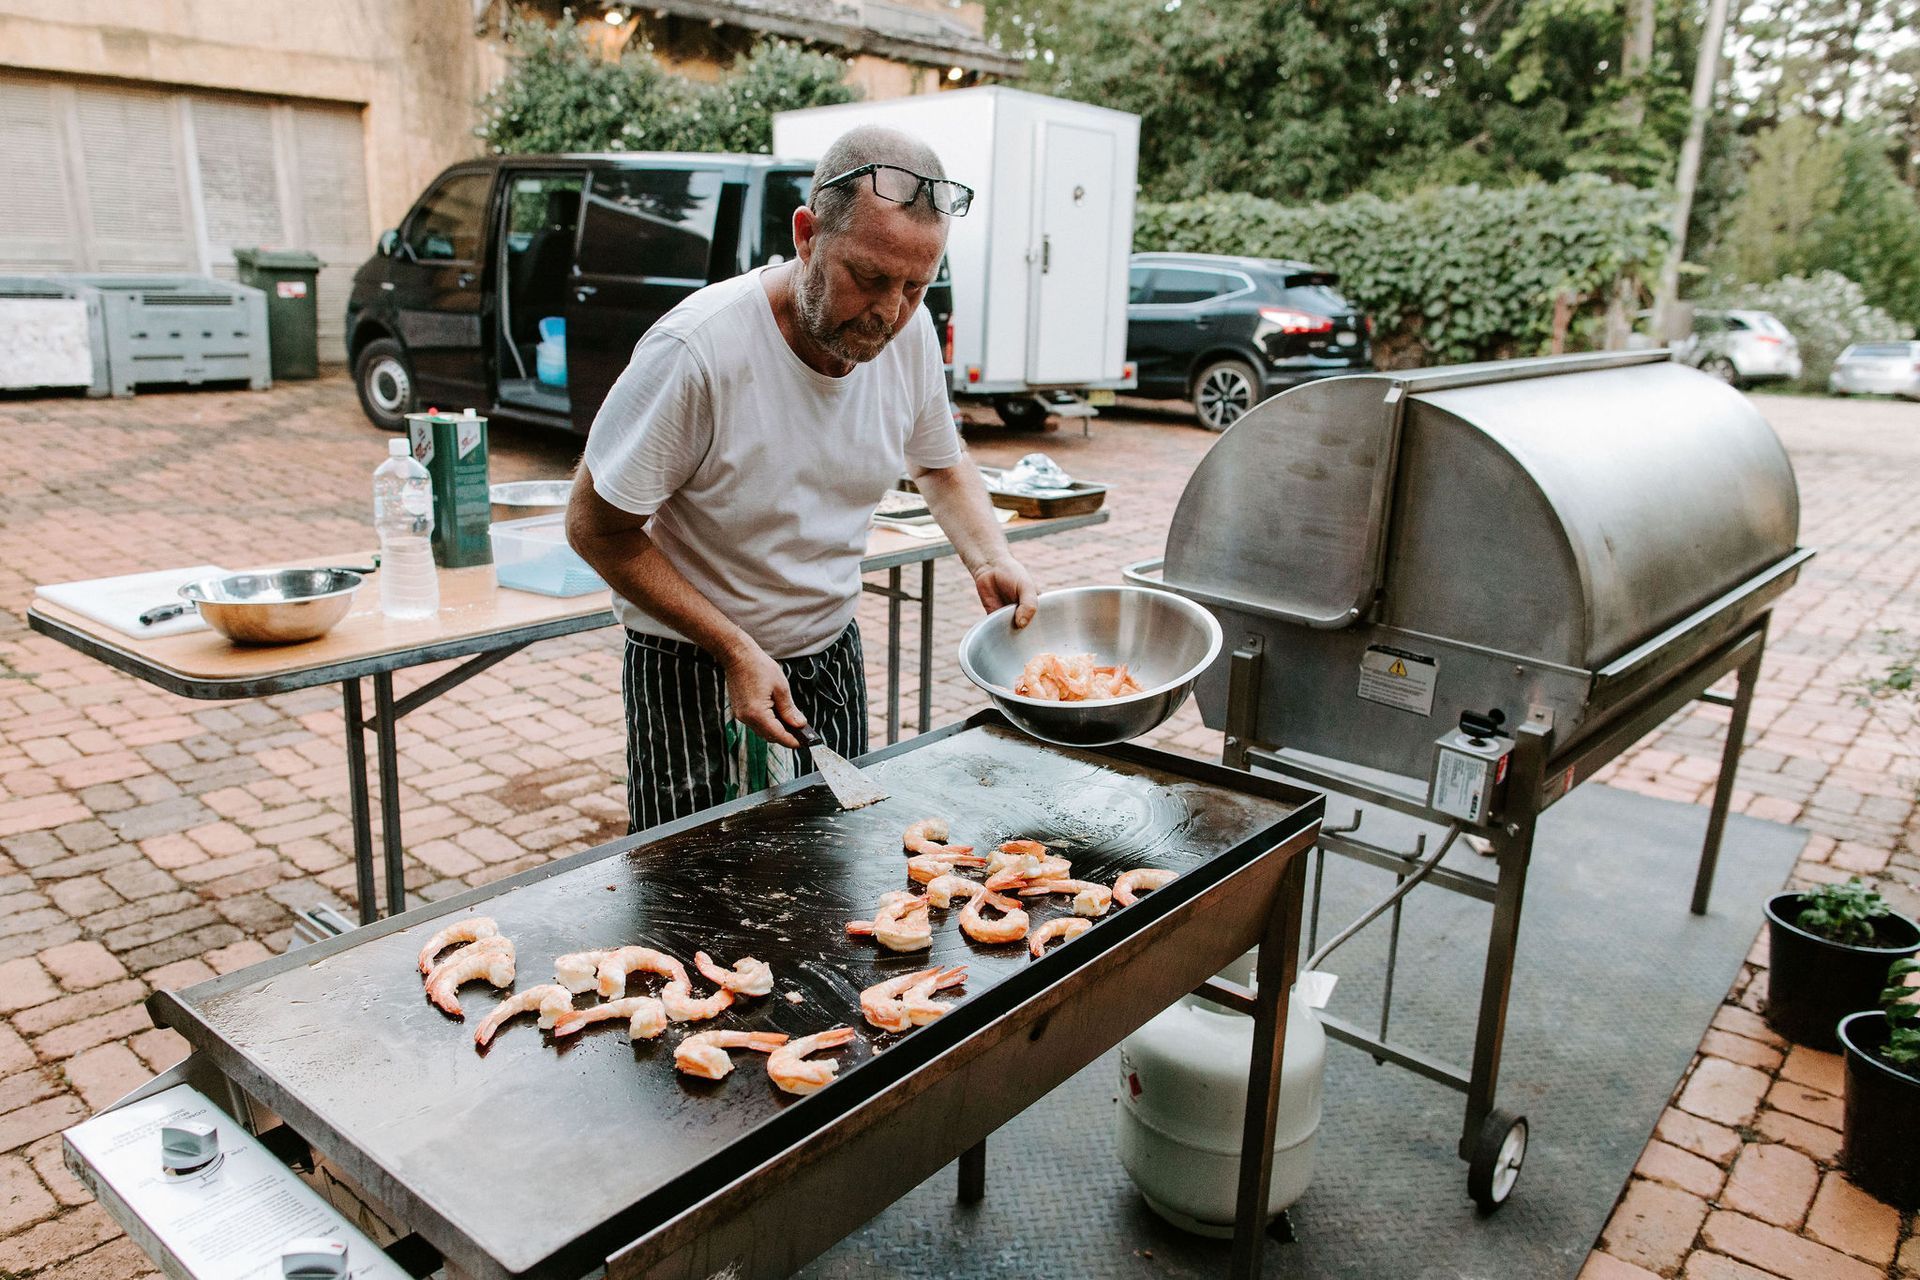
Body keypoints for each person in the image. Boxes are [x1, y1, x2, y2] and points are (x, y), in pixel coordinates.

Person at [568, 125, 1038, 831]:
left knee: (837, 869)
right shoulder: (699, 350)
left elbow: (939, 463)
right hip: (692, 665)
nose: (889, 313)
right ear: (807, 234)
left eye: (916, 285)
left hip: (828, 654)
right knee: (692, 896)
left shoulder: (906, 336)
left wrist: (991, 555)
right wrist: (734, 647)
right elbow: (596, 528)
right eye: (870, 278)